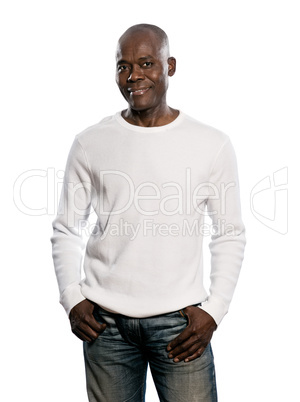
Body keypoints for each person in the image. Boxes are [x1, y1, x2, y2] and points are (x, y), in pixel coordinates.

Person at [51, 23, 246, 402]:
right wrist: (71, 297)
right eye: (123, 66)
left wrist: (216, 310)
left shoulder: (211, 144)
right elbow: (66, 227)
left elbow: (230, 233)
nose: (134, 76)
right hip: (105, 326)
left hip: (181, 325)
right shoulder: (91, 142)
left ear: (169, 66)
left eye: (145, 63)